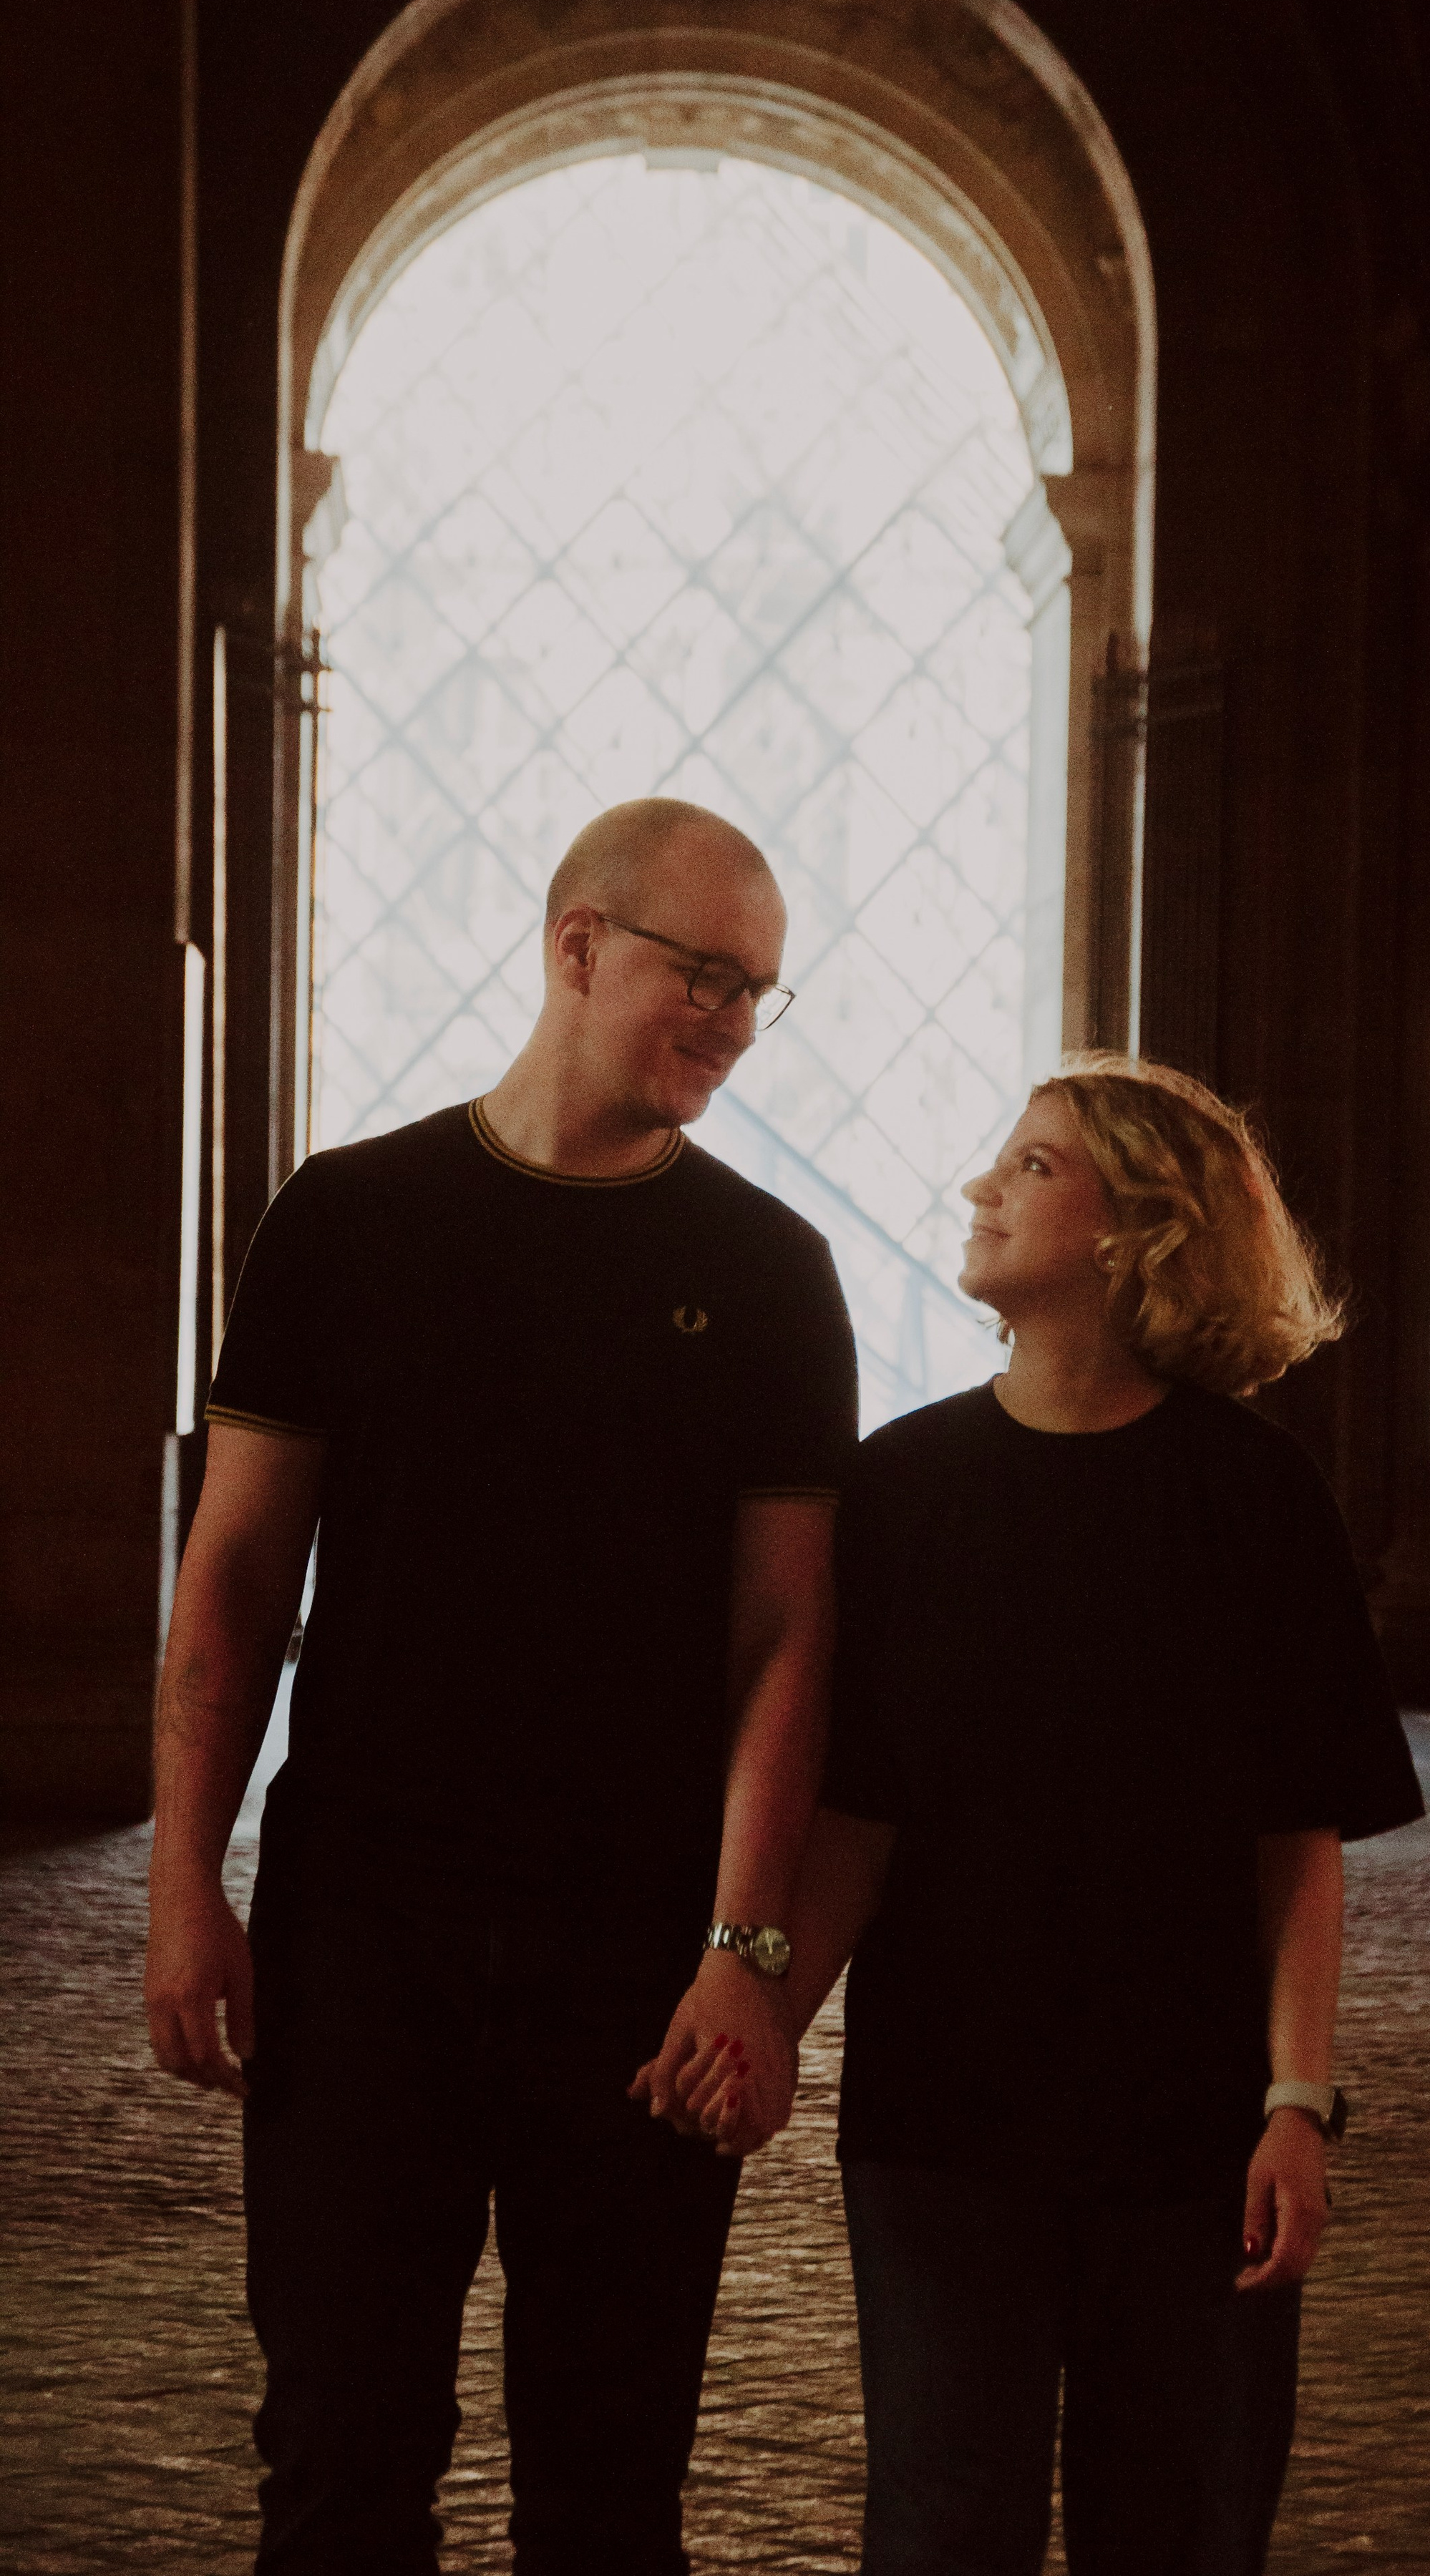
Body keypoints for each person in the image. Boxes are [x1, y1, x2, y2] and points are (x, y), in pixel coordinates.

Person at [143, 798, 857, 2575]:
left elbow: (788, 1643)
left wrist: (743, 1949)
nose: (730, 1020)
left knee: (612, 2488)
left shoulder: (772, 1274)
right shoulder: (346, 1219)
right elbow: (232, 1578)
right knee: (336, 2457)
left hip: (632, 1955)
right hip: (360, 1934)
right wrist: (182, 1889)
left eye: (759, 991)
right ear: (575, 945)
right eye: (702, 972)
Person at [699, 1052, 1425, 2575]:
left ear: (1137, 1228)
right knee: (940, 2533)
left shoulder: (1254, 1499)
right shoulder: (895, 1489)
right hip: (941, 2128)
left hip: (1190, 2134)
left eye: (1032, 1164)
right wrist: (759, 2010)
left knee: (1175, 2534)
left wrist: (1298, 2102)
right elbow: (860, 1819)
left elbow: (1294, 1837)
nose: (981, 1184)